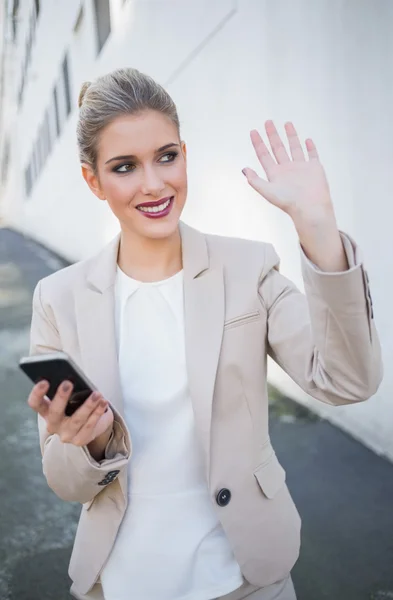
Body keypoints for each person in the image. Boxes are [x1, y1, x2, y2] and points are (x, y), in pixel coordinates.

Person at [27, 67, 382, 600]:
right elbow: (65, 482)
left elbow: (349, 380)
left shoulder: (249, 268)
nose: (154, 183)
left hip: (246, 578)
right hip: (123, 582)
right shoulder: (58, 298)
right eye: (125, 167)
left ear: (184, 154)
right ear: (93, 181)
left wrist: (320, 233)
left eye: (166, 156)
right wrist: (91, 442)